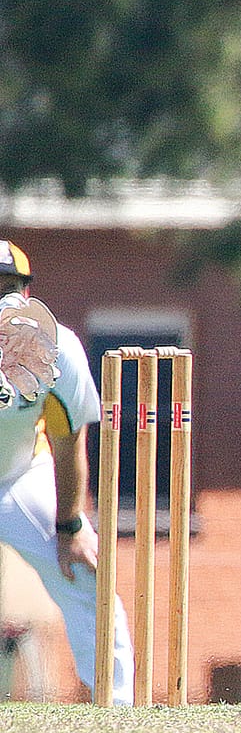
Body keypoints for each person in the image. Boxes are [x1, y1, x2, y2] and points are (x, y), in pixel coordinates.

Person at [0, 240, 134, 705]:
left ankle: (119, 708)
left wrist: (70, 525)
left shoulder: (56, 348)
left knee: (85, 571)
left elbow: (68, 436)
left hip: (18, 476)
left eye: (9, 287)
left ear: (27, 292)